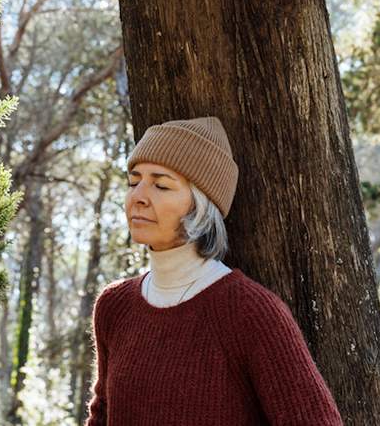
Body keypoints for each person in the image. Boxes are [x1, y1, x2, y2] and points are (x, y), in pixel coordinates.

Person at [85, 116, 343, 425]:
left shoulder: (250, 312)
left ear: (201, 205)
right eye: (133, 181)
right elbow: (102, 416)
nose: (138, 196)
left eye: (162, 184)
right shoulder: (115, 306)